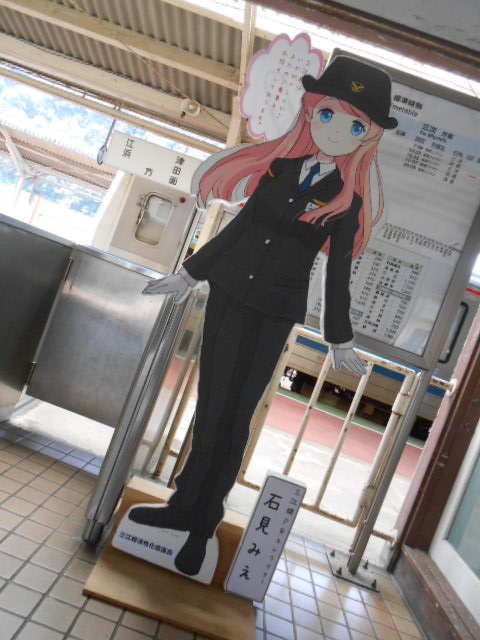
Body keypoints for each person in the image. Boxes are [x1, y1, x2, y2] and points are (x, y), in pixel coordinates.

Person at [129, 55, 398, 576]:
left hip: (275, 311)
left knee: (236, 419)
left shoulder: (347, 201)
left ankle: (203, 525)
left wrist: (339, 337)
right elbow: (240, 228)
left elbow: (337, 271)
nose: (335, 130)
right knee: (211, 407)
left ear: (367, 137)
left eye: (354, 126)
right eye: (328, 115)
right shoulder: (281, 169)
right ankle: (181, 505)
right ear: (311, 111)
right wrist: (190, 275)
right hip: (229, 293)